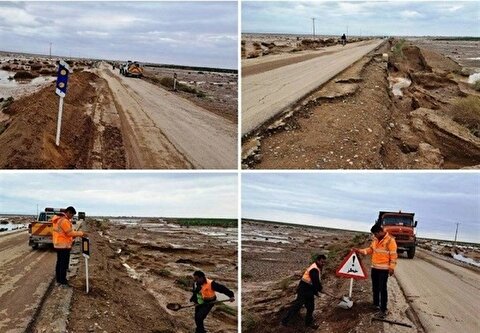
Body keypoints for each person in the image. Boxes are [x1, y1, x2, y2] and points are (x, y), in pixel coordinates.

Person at [353, 224, 397, 318]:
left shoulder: (390, 241)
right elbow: (370, 250)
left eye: (375, 234)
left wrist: (392, 268)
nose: (374, 236)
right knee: (375, 288)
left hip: (384, 270)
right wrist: (360, 251)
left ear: (380, 232)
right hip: (375, 268)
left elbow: (393, 256)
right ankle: (376, 305)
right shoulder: (376, 240)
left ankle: (383, 310)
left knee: (382, 289)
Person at [281, 254, 326, 328]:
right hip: (303, 290)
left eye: (324, 262)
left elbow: (313, 283)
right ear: (318, 260)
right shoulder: (314, 269)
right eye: (322, 262)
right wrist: (320, 289)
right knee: (297, 306)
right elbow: (315, 282)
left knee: (310, 307)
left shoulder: (317, 267)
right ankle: (284, 321)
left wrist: (316, 292)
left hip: (309, 290)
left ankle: (308, 324)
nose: (323, 264)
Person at [52, 206, 86, 287]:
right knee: (63, 264)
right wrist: (81, 233)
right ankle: (63, 281)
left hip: (58, 244)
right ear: (68, 212)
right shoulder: (64, 221)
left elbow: (66, 232)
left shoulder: (58, 219)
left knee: (59, 263)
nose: (72, 217)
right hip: (63, 246)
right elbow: (69, 233)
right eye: (72, 215)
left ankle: (59, 279)